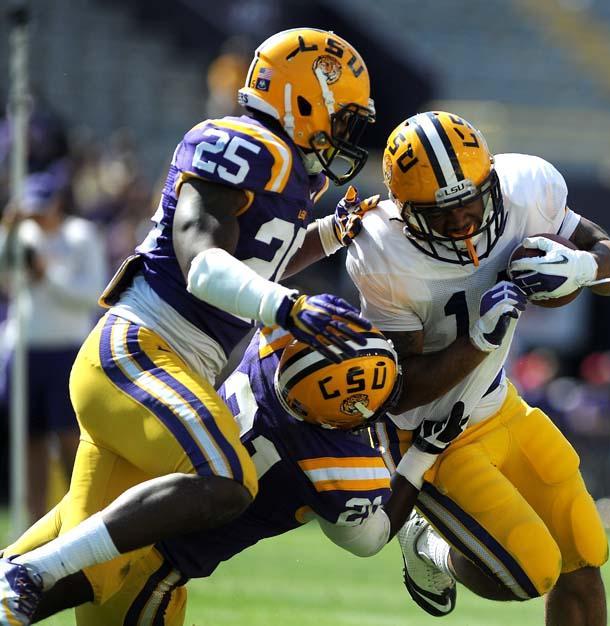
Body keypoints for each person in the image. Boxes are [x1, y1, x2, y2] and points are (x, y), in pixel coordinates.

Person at [0, 27, 379, 625]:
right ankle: (28, 570)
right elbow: (203, 264)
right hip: (139, 352)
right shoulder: (246, 144)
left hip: (162, 368)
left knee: (103, 584)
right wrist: (290, 308)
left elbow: (261, 258)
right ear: (304, 99)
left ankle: (19, 576)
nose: (344, 135)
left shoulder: (295, 175)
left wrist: (332, 233)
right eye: (342, 117)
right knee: (226, 479)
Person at [345, 111, 610, 625]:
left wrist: (582, 268)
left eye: (467, 202)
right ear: (404, 214)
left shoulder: (528, 188)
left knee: (584, 558)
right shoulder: (383, 254)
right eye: (438, 214)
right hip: (430, 434)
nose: (460, 223)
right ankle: (431, 547)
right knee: (529, 570)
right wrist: (478, 340)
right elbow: (398, 391)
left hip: (498, 404)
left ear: (492, 180)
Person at [5, 322, 461, 625]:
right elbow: (371, 539)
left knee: (9, 586)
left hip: (112, 499)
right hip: (143, 572)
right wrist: (421, 454)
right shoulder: (336, 467)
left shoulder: (271, 346)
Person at [0, 170, 108, 521]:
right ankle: (33, 522)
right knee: (29, 440)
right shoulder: (22, 235)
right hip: (25, 348)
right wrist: (8, 231)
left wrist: (47, 276)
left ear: (57, 204)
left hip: (67, 350)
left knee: (68, 439)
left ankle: (79, 515)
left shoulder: (80, 236)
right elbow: (5, 277)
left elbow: (93, 294)